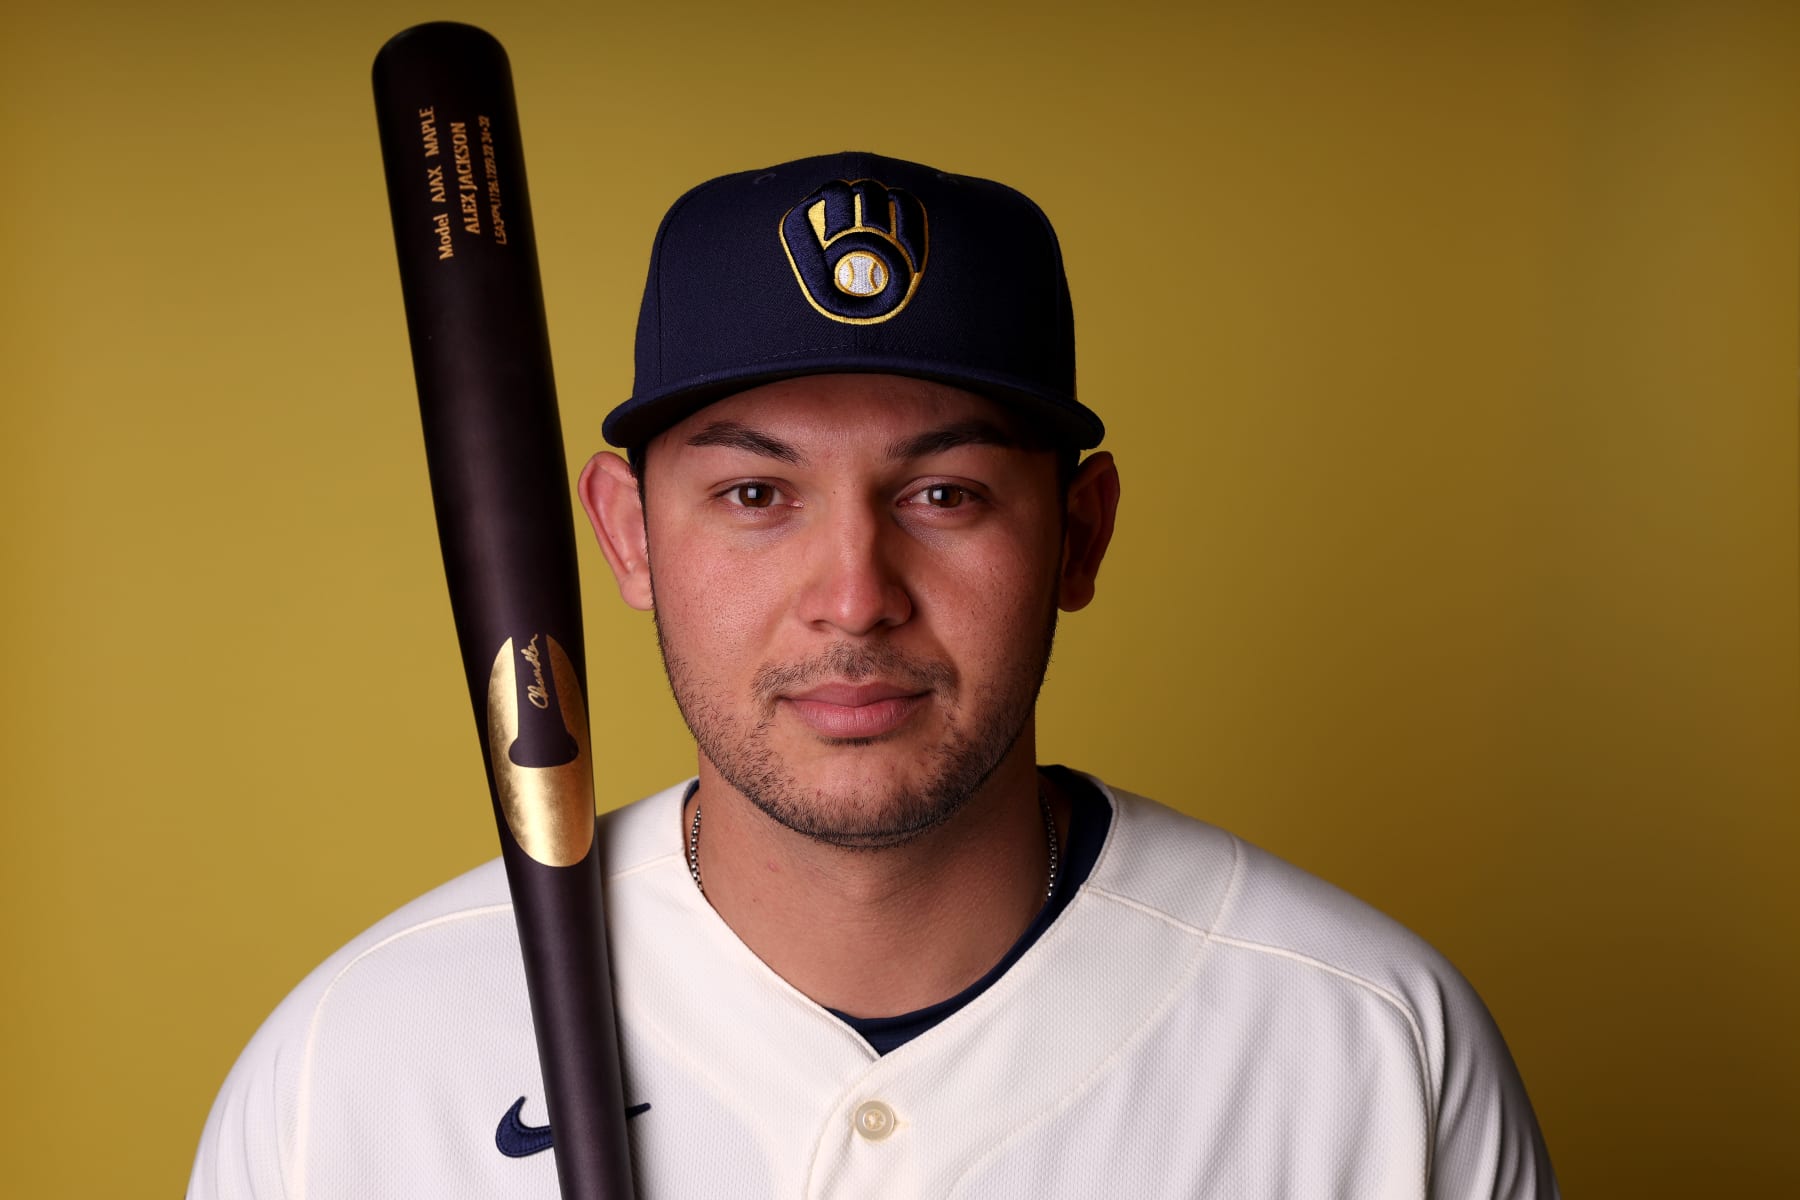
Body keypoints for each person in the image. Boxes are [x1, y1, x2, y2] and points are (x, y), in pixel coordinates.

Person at [188, 151, 1557, 1198]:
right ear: (624, 534)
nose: (855, 597)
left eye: (946, 493)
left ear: (1079, 536)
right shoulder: (354, 1069)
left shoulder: (1370, 1045)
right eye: (753, 494)